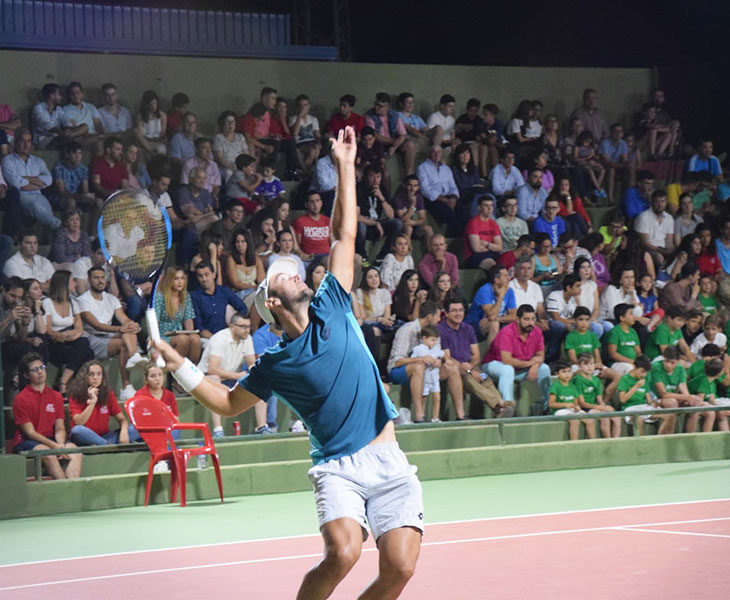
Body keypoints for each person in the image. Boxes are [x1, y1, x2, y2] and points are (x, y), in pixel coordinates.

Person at [153, 127, 423, 599]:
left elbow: (345, 231)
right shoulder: (276, 361)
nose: (296, 275)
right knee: (343, 554)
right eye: (284, 278)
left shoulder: (333, 301)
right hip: (338, 465)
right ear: (272, 304)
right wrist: (180, 365)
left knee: (399, 569)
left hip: (388, 456)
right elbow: (227, 402)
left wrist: (344, 163)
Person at [388, 299, 466, 423]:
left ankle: (461, 415)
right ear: (429, 317)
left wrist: (439, 361)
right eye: (437, 316)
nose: (439, 319)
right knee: (419, 366)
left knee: (452, 368)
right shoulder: (407, 330)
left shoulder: (434, 332)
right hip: (398, 371)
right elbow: (397, 361)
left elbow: (437, 354)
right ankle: (419, 415)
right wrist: (421, 359)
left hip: (429, 370)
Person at [77, 265, 146, 399]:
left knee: (129, 330)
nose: (100, 281)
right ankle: (127, 382)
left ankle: (133, 359)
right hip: (91, 339)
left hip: (109, 337)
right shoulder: (82, 300)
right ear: (89, 280)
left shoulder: (112, 299)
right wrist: (121, 328)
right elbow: (96, 325)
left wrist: (132, 325)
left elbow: (124, 319)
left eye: (102, 277)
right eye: (96, 278)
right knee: (122, 343)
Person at [439, 299, 514, 418]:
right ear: (446, 314)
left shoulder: (468, 328)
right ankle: (499, 404)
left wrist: (472, 369)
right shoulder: (441, 330)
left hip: (471, 367)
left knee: (485, 379)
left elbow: (476, 355)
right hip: (454, 370)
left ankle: (500, 408)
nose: (458, 314)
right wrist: (468, 371)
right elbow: (447, 357)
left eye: (460, 310)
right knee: (470, 380)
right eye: (454, 311)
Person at [12, 352, 82, 479]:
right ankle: (65, 489)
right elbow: (30, 433)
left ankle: (72, 487)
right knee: (47, 453)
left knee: (74, 450)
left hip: (52, 439)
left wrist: (60, 445)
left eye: (42, 367)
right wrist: (54, 447)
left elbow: (60, 428)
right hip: (27, 442)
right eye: (35, 370)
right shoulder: (20, 399)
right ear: (26, 375)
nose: (40, 372)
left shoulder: (56, 396)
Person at [197, 312, 259, 436]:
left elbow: (252, 364)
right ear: (232, 326)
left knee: (259, 379)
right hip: (206, 378)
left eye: (248, 327)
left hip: (230, 376)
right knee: (214, 378)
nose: (246, 330)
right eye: (243, 326)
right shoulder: (219, 339)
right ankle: (218, 429)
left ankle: (262, 426)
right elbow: (212, 369)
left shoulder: (247, 338)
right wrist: (238, 376)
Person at [483, 304, 551, 414]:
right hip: (494, 365)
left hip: (519, 369)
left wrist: (534, 366)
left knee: (544, 369)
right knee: (507, 369)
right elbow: (507, 360)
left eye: (533, 319)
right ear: (518, 319)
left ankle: (546, 407)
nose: (530, 323)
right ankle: (508, 407)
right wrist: (530, 363)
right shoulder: (507, 332)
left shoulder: (536, 332)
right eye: (526, 319)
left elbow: (540, 355)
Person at [42, 270, 94, 395]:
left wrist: (66, 336)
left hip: (69, 341)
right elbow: (48, 330)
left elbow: (79, 329)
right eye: (72, 281)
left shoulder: (73, 303)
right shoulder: (47, 303)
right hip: (53, 345)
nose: (75, 284)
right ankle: (72, 386)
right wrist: (65, 336)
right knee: (87, 353)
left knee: (83, 343)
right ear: (63, 284)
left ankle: (63, 381)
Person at [67, 360, 140, 445]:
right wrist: (92, 402)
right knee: (77, 430)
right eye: (91, 374)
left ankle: (103, 445)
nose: (95, 377)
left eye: (99, 374)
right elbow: (79, 423)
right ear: (84, 377)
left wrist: (124, 432)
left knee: (137, 427)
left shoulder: (108, 394)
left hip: (105, 436)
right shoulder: (75, 395)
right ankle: (108, 446)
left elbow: (122, 419)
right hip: (84, 438)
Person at [1, 128, 59, 230]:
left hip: (38, 194)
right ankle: (59, 226)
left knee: (46, 212)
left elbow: (49, 180)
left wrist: (27, 178)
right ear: (16, 142)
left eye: (29, 141)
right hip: (21, 196)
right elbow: (17, 184)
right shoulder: (7, 160)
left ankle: (58, 233)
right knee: (36, 206)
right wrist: (39, 183)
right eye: (23, 140)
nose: (26, 144)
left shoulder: (38, 161)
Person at [649, 346, 714, 433]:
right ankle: (669, 437)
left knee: (698, 405)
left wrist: (691, 399)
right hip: (657, 399)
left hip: (675, 397)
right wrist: (687, 397)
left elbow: (683, 388)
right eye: (666, 361)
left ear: (678, 361)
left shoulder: (680, 369)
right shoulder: (656, 367)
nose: (668, 365)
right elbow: (663, 394)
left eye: (672, 362)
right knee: (672, 402)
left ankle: (690, 438)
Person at [355, 165, 403, 264]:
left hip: (378, 224)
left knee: (398, 223)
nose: (375, 180)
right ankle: (363, 257)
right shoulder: (358, 189)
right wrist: (375, 223)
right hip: (366, 224)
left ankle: (382, 256)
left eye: (378, 177)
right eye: (372, 176)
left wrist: (382, 198)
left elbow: (391, 216)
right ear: (366, 177)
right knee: (361, 225)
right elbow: (356, 217)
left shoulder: (382, 189)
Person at [190, 261, 247, 341]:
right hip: (206, 338)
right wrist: (216, 340)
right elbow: (199, 327)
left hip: (225, 334)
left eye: (207, 274)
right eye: (200, 276)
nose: (204, 279)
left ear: (213, 275)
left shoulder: (224, 291)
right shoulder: (195, 296)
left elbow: (243, 308)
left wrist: (234, 323)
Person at [572, 353, 621, 438]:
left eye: (591, 363)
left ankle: (615, 442)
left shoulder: (596, 380)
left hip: (596, 406)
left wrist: (604, 406)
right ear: (579, 366)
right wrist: (602, 408)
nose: (590, 367)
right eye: (586, 364)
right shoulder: (577, 380)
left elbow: (600, 400)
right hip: (585, 408)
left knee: (617, 418)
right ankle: (608, 441)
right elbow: (582, 403)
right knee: (605, 417)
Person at [466, 265, 516, 346]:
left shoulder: (509, 291)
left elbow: (514, 316)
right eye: (505, 276)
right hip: (474, 326)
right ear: (496, 280)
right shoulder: (484, 290)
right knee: (494, 325)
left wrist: (497, 319)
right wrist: (500, 297)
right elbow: (491, 316)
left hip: (494, 322)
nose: (509, 278)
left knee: (516, 324)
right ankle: (491, 357)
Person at [365, 92, 414, 174]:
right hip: (379, 143)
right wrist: (392, 142)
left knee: (410, 145)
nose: (376, 107)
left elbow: (402, 134)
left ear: (387, 106)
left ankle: (408, 175)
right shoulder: (370, 116)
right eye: (375, 104)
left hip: (393, 142)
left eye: (380, 106)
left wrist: (394, 147)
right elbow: (374, 135)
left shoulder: (394, 115)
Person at [417, 145, 463, 233]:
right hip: (433, 199)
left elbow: (453, 186)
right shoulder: (422, 168)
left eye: (439, 152)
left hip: (449, 197)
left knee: (462, 209)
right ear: (429, 153)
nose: (437, 154)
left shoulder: (446, 169)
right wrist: (444, 200)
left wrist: (453, 198)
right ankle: (461, 234)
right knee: (447, 212)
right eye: (434, 152)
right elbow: (425, 189)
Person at [548, 360, 596, 441]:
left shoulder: (573, 386)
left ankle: (593, 442)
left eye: (569, 371)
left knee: (590, 420)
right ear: (557, 374)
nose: (567, 374)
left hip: (571, 410)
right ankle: (574, 443)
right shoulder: (555, 386)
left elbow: (576, 403)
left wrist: (576, 407)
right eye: (563, 372)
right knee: (575, 420)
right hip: (560, 411)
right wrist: (566, 405)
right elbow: (551, 404)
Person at [409, 326, 445, 422]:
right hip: (424, 378)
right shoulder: (418, 349)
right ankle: (421, 417)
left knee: (437, 397)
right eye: (432, 340)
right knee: (423, 398)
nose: (434, 343)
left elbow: (442, 356)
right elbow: (413, 361)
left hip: (435, 377)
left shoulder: (436, 349)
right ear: (424, 338)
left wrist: (439, 361)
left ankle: (435, 418)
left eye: (435, 341)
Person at [635, 190, 674, 271]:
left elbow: (669, 241)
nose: (660, 205)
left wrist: (671, 250)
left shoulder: (669, 218)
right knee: (658, 256)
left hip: (663, 249)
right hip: (649, 249)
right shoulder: (643, 217)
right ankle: (664, 278)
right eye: (657, 201)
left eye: (662, 201)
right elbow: (645, 243)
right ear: (652, 202)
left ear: (666, 202)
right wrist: (662, 251)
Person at [463, 195, 502, 269]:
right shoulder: (473, 223)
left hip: (491, 253)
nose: (489, 208)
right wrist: (492, 247)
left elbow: (499, 247)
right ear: (479, 208)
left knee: (506, 261)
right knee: (493, 265)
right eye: (486, 205)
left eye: (491, 205)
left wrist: (486, 244)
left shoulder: (494, 224)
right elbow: (476, 249)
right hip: (473, 257)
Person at [390, 175, 433, 241]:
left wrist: (414, 223)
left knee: (428, 229)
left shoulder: (419, 197)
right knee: (409, 228)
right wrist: (412, 204)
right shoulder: (398, 198)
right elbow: (403, 219)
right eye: (410, 185)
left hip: (412, 224)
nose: (412, 188)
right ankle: (406, 251)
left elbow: (423, 219)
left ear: (418, 187)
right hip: (399, 226)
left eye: (415, 186)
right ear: (405, 185)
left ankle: (432, 251)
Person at [292, 192, 331, 262]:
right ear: (306, 205)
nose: (315, 205)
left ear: (321, 203)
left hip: (328, 254)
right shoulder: (299, 221)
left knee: (357, 258)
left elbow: (332, 242)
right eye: (311, 202)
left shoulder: (328, 221)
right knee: (328, 260)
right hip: (312, 257)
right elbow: (297, 246)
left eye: (317, 201)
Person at [213, 110, 249, 183]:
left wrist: (246, 167)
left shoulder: (240, 137)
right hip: (227, 167)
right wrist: (232, 168)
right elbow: (220, 158)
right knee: (229, 173)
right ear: (222, 124)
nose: (230, 124)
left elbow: (246, 155)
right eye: (227, 122)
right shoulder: (218, 138)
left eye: (232, 122)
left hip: (241, 166)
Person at [289, 94, 322, 172]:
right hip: (300, 142)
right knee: (314, 151)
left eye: (305, 105)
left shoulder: (313, 119)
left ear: (308, 106)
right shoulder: (293, 118)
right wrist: (299, 117)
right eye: (301, 105)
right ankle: (306, 171)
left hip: (312, 142)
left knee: (316, 148)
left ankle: (304, 171)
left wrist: (320, 142)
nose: (303, 108)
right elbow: (295, 133)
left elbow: (317, 135)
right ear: (297, 107)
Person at [599, 123, 630, 203]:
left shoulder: (623, 143)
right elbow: (607, 161)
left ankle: (629, 197)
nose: (618, 133)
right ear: (611, 132)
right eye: (616, 131)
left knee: (631, 169)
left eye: (620, 131)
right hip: (606, 166)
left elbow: (625, 159)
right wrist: (621, 164)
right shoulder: (605, 143)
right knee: (611, 170)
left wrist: (625, 164)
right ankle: (610, 198)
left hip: (618, 165)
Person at [133, 90, 167, 158]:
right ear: (146, 105)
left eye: (154, 103)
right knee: (135, 131)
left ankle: (156, 157)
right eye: (150, 104)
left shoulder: (163, 115)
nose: (153, 107)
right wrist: (148, 141)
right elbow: (141, 134)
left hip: (157, 142)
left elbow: (162, 133)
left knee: (161, 148)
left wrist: (159, 138)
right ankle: (152, 153)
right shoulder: (140, 116)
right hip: (145, 142)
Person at [30, 83, 64, 149]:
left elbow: (66, 121)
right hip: (41, 139)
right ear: (52, 95)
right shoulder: (38, 108)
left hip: (57, 137)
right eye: (59, 94)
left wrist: (71, 130)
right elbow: (47, 126)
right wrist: (64, 133)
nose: (61, 97)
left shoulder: (59, 110)